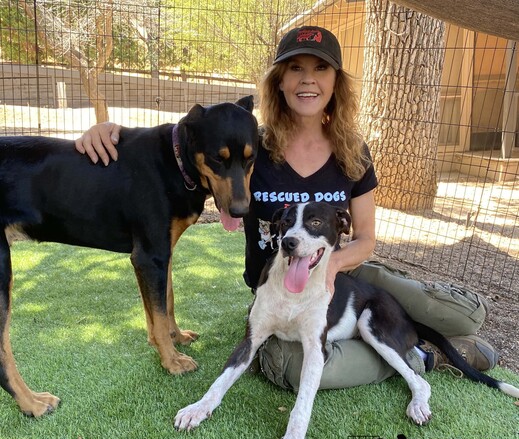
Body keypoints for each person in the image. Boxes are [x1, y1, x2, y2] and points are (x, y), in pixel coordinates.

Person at [75, 26, 498, 392]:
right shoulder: (251, 148)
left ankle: (409, 333)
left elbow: (366, 239)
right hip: (282, 290)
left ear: (336, 82)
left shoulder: (353, 152)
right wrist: (114, 134)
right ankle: (422, 357)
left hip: (348, 277)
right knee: (286, 366)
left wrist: (332, 266)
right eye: (295, 68)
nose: (307, 79)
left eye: (321, 68)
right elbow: (184, 147)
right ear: (279, 81)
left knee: (466, 315)